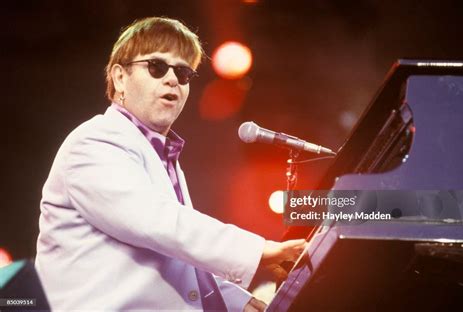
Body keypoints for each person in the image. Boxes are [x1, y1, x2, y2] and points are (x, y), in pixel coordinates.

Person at [35, 17, 306, 311]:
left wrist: (235, 300)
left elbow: (173, 254)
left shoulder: (158, 154)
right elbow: (158, 223)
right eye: (157, 67)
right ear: (119, 77)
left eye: (183, 72)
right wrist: (259, 250)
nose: (172, 79)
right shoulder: (93, 144)